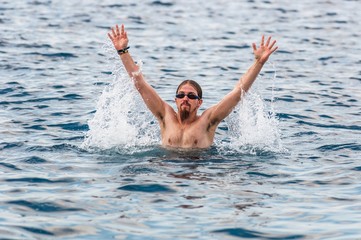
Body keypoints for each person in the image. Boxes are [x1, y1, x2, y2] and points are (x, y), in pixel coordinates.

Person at [108, 24, 278, 149]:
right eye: (181, 95)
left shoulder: (207, 121)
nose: (185, 99)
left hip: (199, 172)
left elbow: (238, 92)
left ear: (199, 102)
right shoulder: (165, 115)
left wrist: (258, 63)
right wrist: (123, 51)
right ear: (175, 100)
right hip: (168, 173)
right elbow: (140, 84)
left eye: (191, 96)